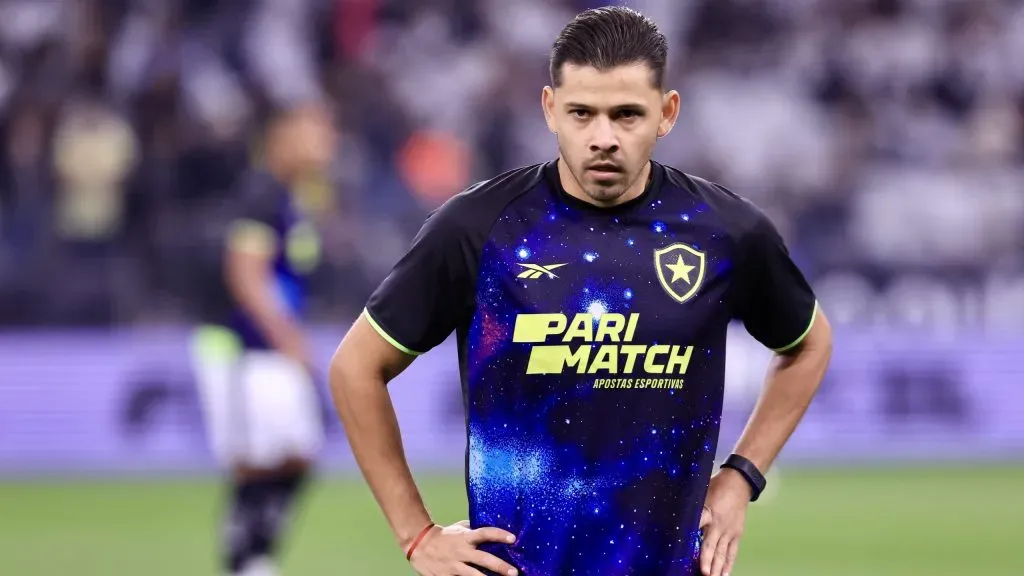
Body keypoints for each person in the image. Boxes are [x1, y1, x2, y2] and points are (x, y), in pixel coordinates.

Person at [329, 7, 832, 576]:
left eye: (626, 115)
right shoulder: (478, 227)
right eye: (581, 114)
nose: (603, 138)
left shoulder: (725, 230)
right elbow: (355, 368)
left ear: (667, 114)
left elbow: (808, 343)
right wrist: (417, 535)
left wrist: (743, 474)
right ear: (549, 109)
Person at [189, 103, 336, 576]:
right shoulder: (261, 194)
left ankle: (253, 554)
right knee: (258, 461)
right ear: (281, 136)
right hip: (244, 352)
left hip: (270, 352)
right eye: (314, 130)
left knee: (298, 451)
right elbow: (245, 275)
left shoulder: (293, 197)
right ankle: (246, 559)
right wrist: (288, 338)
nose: (325, 143)